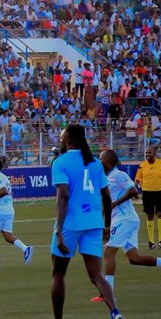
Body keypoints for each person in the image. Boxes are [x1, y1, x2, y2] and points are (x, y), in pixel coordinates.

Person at [49, 124, 120, 319]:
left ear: (68, 139)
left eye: (62, 136)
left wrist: (59, 230)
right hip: (94, 223)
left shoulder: (60, 162)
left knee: (58, 273)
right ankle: (115, 312)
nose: (60, 139)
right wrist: (107, 225)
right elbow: (107, 197)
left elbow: (63, 197)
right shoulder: (95, 163)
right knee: (97, 275)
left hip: (71, 223)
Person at [92, 149, 161, 304]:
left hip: (125, 219)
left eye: (101, 159)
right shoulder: (107, 177)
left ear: (108, 162)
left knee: (109, 252)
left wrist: (114, 204)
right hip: (125, 220)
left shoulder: (118, 175)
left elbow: (133, 191)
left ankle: (108, 294)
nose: (99, 161)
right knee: (134, 259)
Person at [0, 156, 33, 269]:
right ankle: (26, 249)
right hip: (8, 211)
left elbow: (4, 191)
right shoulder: (4, 177)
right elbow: (7, 193)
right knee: (7, 236)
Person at [135, 145, 160, 250]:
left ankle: (160, 241)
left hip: (159, 193)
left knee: (160, 215)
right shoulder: (142, 165)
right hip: (147, 193)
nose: (147, 154)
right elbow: (137, 180)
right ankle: (151, 242)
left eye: (149, 152)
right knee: (150, 216)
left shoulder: (160, 163)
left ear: (154, 153)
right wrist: (135, 190)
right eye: (146, 153)